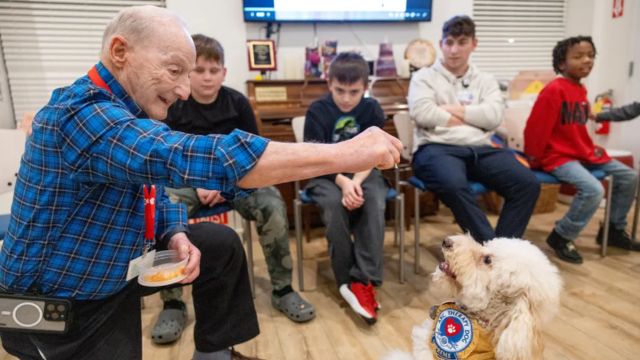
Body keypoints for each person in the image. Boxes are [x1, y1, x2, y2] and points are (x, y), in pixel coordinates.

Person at [0, 6, 402, 360]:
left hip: (112, 269)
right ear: (120, 52)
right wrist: (348, 152)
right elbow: (190, 157)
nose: (185, 89)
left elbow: (153, 187)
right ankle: (175, 311)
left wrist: (175, 231)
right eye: (175, 71)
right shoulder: (83, 114)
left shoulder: (129, 109)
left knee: (219, 245)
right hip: (58, 308)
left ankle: (215, 352)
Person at [151, 34, 315, 344]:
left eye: (214, 70)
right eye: (199, 70)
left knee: (272, 203)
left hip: (235, 184)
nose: (207, 77)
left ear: (224, 73)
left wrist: (223, 187)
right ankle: (172, 301)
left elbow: (255, 158)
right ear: (188, 73)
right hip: (185, 186)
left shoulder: (238, 102)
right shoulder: (174, 107)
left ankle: (282, 289)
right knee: (162, 210)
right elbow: (163, 159)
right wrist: (198, 184)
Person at [408, 15, 540, 243]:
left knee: (527, 184)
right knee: (454, 186)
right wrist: (474, 116)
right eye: (449, 43)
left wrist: (451, 110)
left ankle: (500, 251)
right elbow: (422, 113)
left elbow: (494, 117)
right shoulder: (423, 77)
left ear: (473, 44)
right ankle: (491, 252)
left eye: (461, 42)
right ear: (441, 44)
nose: (454, 50)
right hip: (437, 148)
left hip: (482, 147)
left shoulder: (485, 79)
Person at [524, 35, 640, 264]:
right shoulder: (553, 90)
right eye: (578, 56)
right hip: (557, 156)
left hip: (582, 151)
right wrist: (535, 158)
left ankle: (614, 230)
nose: (586, 60)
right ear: (561, 64)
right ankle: (562, 235)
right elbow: (535, 129)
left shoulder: (580, 89)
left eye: (590, 56)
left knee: (629, 176)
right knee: (593, 190)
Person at [303, 52, 388, 325]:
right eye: (340, 90)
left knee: (374, 199)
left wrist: (356, 182)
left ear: (365, 86)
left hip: (363, 173)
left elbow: (377, 154)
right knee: (334, 205)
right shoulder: (318, 111)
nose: (347, 98)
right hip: (324, 175)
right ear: (329, 83)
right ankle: (344, 279)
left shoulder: (372, 109)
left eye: (354, 92)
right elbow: (314, 158)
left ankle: (363, 279)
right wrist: (343, 181)